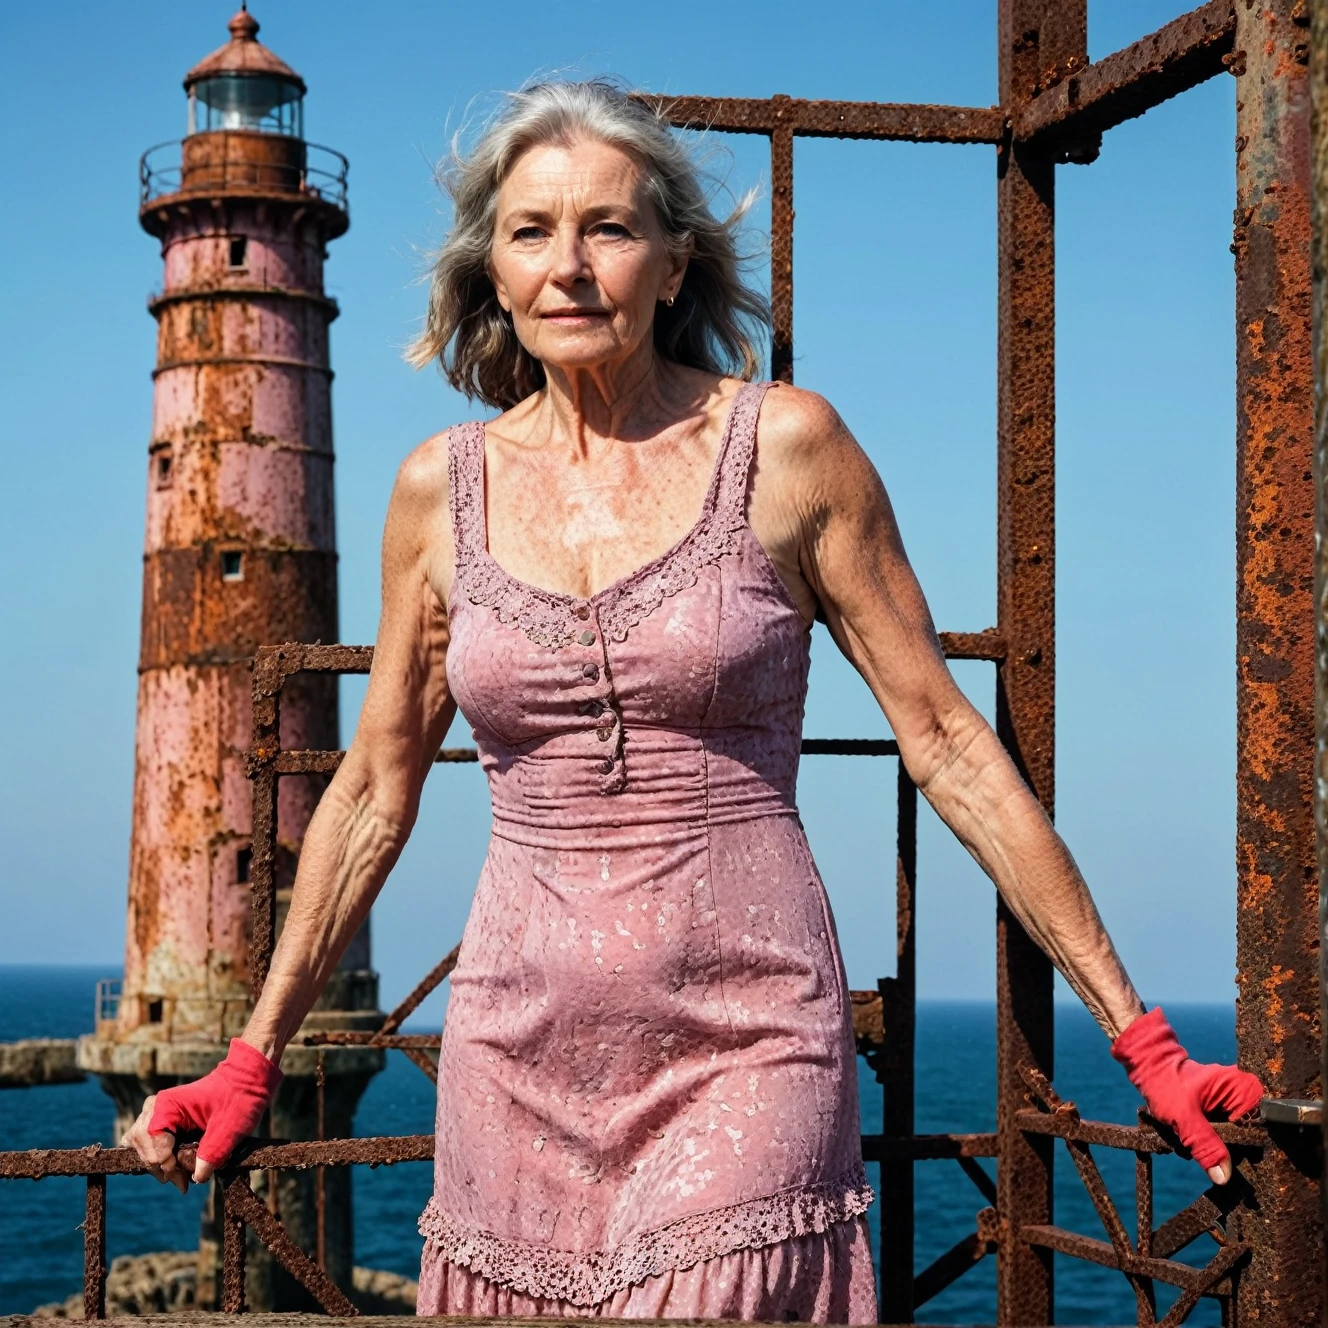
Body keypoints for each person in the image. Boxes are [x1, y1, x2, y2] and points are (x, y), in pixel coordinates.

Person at [123, 80, 1264, 1323]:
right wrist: (252, 1054)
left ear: (672, 264)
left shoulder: (785, 448)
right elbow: (371, 793)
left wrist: (1140, 1038)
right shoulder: (431, 492)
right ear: (491, 273)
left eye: (607, 228)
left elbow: (944, 743)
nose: (568, 266)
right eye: (529, 232)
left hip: (746, 1029)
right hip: (513, 1042)